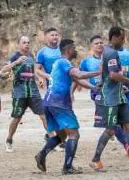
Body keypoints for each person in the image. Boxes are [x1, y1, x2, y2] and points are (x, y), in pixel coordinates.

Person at [89, 27, 129, 171]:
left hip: (119, 96)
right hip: (110, 98)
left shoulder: (110, 52)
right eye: (122, 38)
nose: (123, 41)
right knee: (110, 130)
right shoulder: (111, 53)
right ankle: (95, 160)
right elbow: (113, 75)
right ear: (114, 37)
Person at [35, 39, 101, 175]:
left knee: (62, 135)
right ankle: (67, 167)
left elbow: (78, 79)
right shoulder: (63, 62)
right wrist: (98, 72)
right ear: (68, 49)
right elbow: (79, 74)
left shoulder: (60, 63)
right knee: (74, 134)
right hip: (58, 103)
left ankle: (41, 154)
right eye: (74, 48)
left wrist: (93, 87)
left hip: (49, 102)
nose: (76, 50)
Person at [1, 36, 47, 152]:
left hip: (33, 92)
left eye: (28, 42)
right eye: (24, 42)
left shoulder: (31, 56)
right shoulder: (15, 56)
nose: (26, 44)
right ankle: (9, 140)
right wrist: (16, 62)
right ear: (19, 44)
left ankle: (53, 140)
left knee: (43, 115)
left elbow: (32, 72)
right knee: (17, 118)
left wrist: (38, 79)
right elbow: (4, 70)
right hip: (19, 93)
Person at [36, 27, 64, 150]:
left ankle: (53, 136)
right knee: (55, 113)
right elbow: (36, 69)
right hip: (52, 88)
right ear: (46, 37)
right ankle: (56, 138)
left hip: (64, 87)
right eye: (52, 35)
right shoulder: (42, 52)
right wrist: (44, 76)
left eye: (56, 35)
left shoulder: (62, 50)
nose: (55, 37)